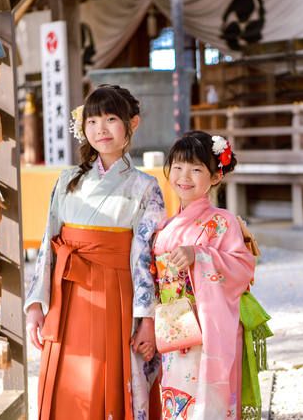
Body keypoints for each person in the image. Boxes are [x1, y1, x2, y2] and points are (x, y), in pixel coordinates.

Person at [24, 84, 167, 420]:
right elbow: (49, 244)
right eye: (92, 121)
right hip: (67, 294)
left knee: (112, 379)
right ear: (83, 127)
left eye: (111, 118)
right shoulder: (67, 180)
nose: (100, 129)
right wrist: (35, 304)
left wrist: (146, 319)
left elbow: (146, 257)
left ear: (132, 123)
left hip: (117, 295)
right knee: (67, 381)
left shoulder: (145, 187)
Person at [153, 131, 259, 419]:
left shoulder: (221, 221)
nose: (184, 176)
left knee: (206, 400)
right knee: (176, 398)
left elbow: (242, 266)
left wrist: (198, 255)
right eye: (177, 167)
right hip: (173, 326)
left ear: (215, 177)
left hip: (207, 326)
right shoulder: (166, 224)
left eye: (196, 169)